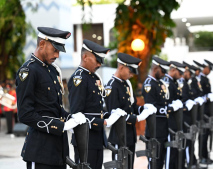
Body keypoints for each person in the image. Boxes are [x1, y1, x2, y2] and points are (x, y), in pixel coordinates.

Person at [16, 27, 83, 169]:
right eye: (55, 50)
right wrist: (60, 125)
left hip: (58, 151)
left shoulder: (52, 70)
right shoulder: (28, 71)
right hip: (40, 151)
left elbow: (54, 108)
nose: (57, 55)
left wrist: (71, 118)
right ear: (42, 45)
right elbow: (25, 114)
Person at [68, 39, 124, 169]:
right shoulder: (79, 78)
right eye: (97, 60)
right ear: (85, 57)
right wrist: (102, 122)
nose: (99, 64)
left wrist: (108, 115)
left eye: (100, 61)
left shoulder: (93, 78)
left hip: (97, 138)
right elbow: (77, 114)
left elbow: (95, 107)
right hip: (85, 140)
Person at [104, 53, 156, 169]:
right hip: (119, 136)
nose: (131, 75)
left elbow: (132, 107)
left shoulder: (125, 84)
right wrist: (137, 118)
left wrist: (144, 109)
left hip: (130, 135)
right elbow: (115, 115)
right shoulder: (112, 86)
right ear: (121, 67)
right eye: (130, 71)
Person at [142, 56, 171, 169]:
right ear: (156, 69)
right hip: (154, 130)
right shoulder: (149, 84)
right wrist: (167, 109)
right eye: (163, 71)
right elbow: (151, 107)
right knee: (154, 162)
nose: (164, 74)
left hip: (162, 129)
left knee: (160, 161)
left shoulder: (159, 83)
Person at [193, 59, 213, 164]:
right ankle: (202, 156)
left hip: (206, 111)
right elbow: (200, 95)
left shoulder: (205, 79)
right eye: (209, 69)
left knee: (206, 134)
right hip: (201, 112)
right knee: (202, 135)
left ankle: (205, 155)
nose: (210, 71)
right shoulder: (200, 80)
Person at [163, 61, 184, 169]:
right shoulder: (166, 83)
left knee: (175, 152)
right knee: (170, 153)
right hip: (169, 123)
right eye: (180, 73)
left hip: (175, 122)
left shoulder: (174, 82)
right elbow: (166, 104)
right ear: (173, 70)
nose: (181, 76)